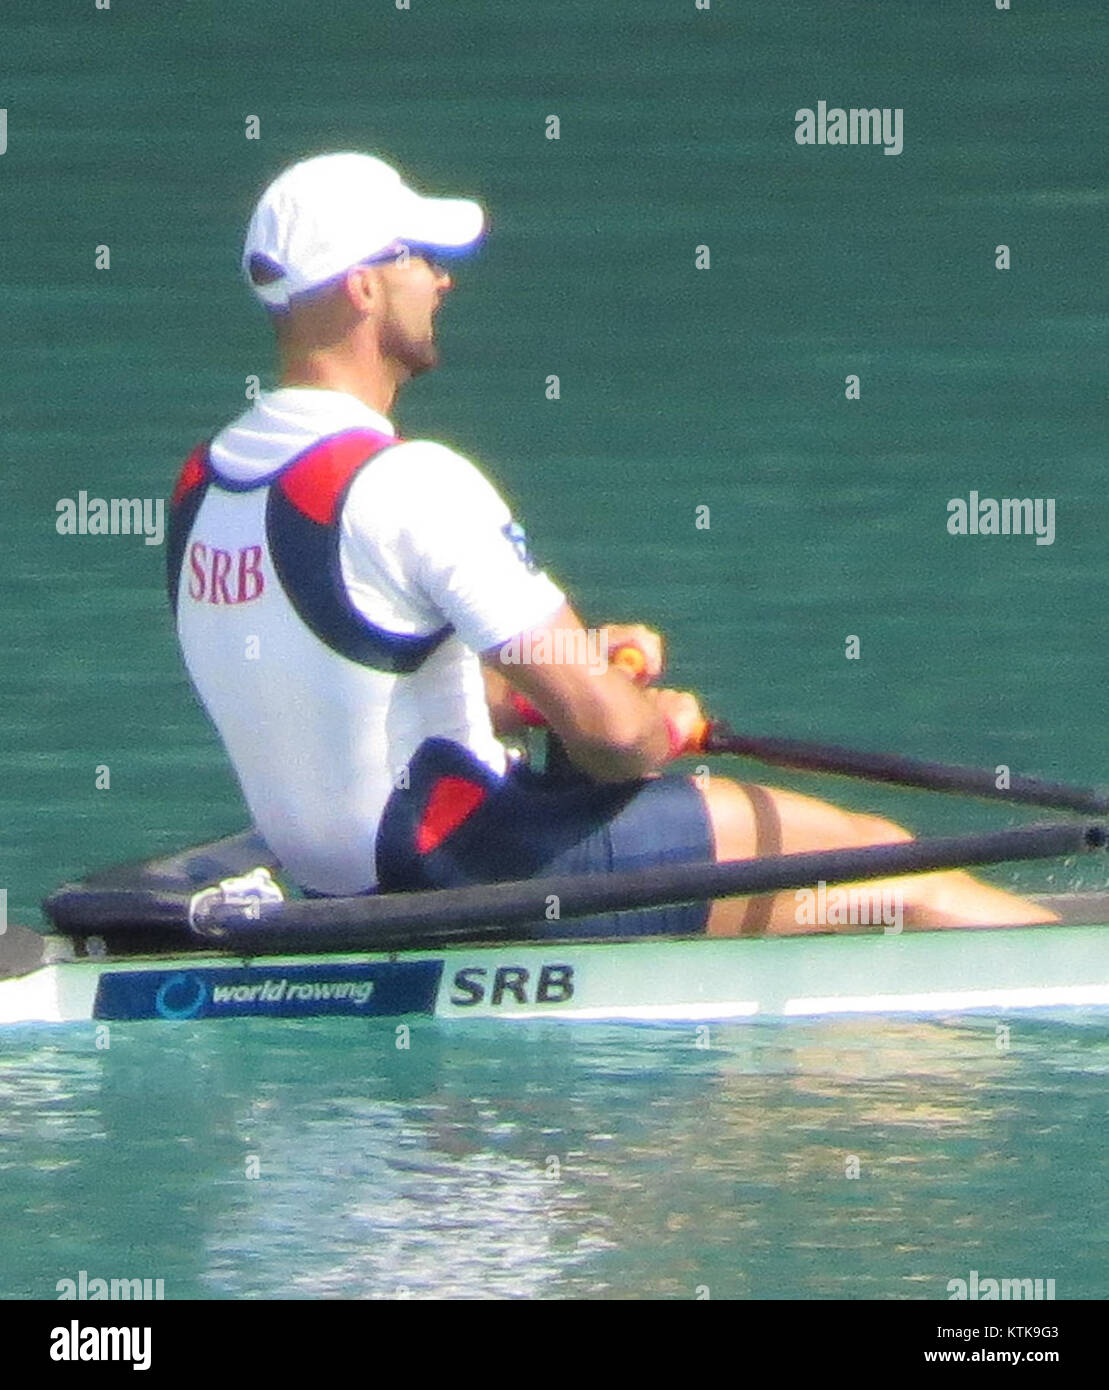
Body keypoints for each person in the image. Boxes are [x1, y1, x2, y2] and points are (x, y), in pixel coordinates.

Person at [167, 151, 1053, 937]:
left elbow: (345, 682)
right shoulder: (409, 484)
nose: (444, 281)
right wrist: (646, 720)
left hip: (346, 890)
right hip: (483, 870)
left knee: (834, 909)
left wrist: (542, 688)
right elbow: (610, 740)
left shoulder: (203, 487)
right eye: (423, 259)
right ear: (363, 286)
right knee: (889, 870)